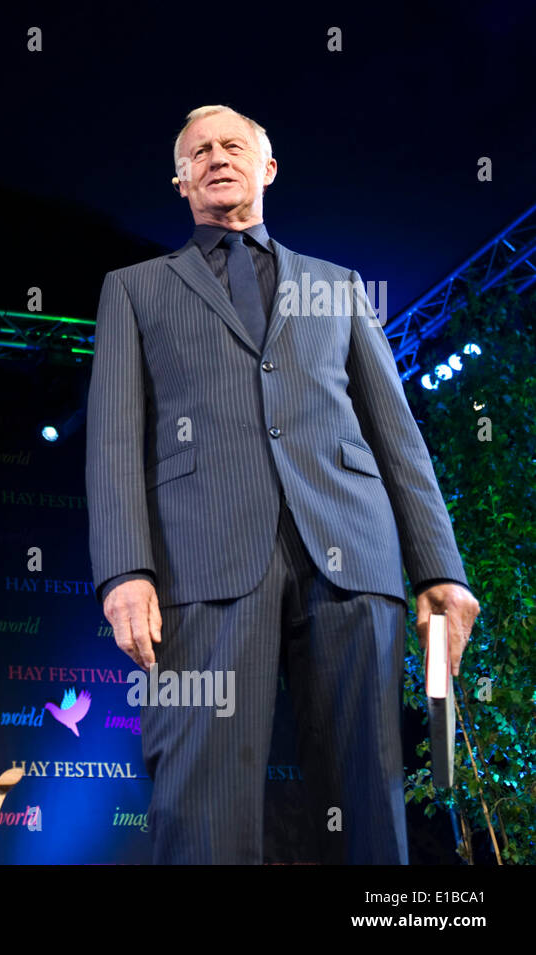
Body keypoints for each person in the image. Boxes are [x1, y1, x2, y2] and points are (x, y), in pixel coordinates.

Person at [85, 105, 479, 864]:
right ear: (180, 181)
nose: (217, 157)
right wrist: (124, 570)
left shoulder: (338, 286)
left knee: (367, 791)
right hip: (201, 560)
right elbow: (112, 439)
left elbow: (397, 433)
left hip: (352, 553)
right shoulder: (133, 289)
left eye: (235, 146)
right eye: (199, 151)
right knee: (199, 796)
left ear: (267, 169)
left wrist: (439, 568)